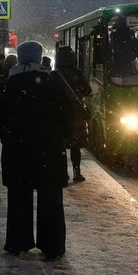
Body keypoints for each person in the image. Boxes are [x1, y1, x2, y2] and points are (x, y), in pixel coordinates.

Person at [0, 41, 72, 259]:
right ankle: (52, 245)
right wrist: (61, 136)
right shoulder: (53, 82)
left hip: (18, 150)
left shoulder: (9, 84)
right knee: (51, 198)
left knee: (19, 196)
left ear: (19, 58)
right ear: (39, 58)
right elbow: (68, 115)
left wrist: (9, 135)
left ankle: (18, 241)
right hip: (50, 148)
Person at [53, 46, 92, 183]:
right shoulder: (78, 74)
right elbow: (88, 91)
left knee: (61, 145)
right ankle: (77, 172)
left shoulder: (55, 75)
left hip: (59, 114)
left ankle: (63, 173)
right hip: (76, 114)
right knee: (75, 146)